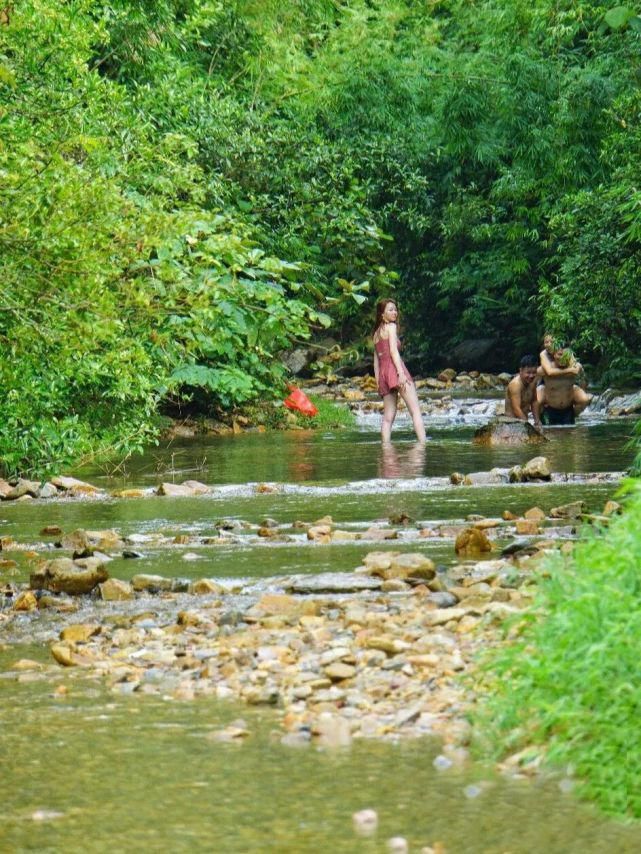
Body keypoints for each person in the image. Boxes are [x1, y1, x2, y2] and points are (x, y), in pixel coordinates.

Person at [373, 298, 426, 442]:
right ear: (382, 314)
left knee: (387, 418)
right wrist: (401, 374)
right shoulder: (391, 327)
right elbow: (393, 352)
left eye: (395, 309)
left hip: (383, 374)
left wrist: (379, 382)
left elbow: (376, 362)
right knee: (415, 411)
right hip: (395, 369)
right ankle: (422, 445)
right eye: (390, 309)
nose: (394, 312)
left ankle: (386, 448)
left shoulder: (376, 334)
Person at [536, 340, 593, 425]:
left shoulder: (576, 367)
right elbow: (533, 383)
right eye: (559, 354)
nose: (562, 358)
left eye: (565, 355)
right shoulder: (544, 370)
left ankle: (574, 414)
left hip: (568, 409)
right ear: (554, 355)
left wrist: (581, 391)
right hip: (549, 408)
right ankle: (538, 419)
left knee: (585, 399)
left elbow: (583, 380)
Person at [505, 354, 541, 427]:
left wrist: (537, 421)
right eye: (528, 373)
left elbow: (534, 401)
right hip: (511, 424)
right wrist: (528, 426)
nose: (531, 376)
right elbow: (516, 408)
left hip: (524, 421)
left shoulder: (533, 382)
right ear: (520, 370)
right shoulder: (515, 385)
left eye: (534, 372)